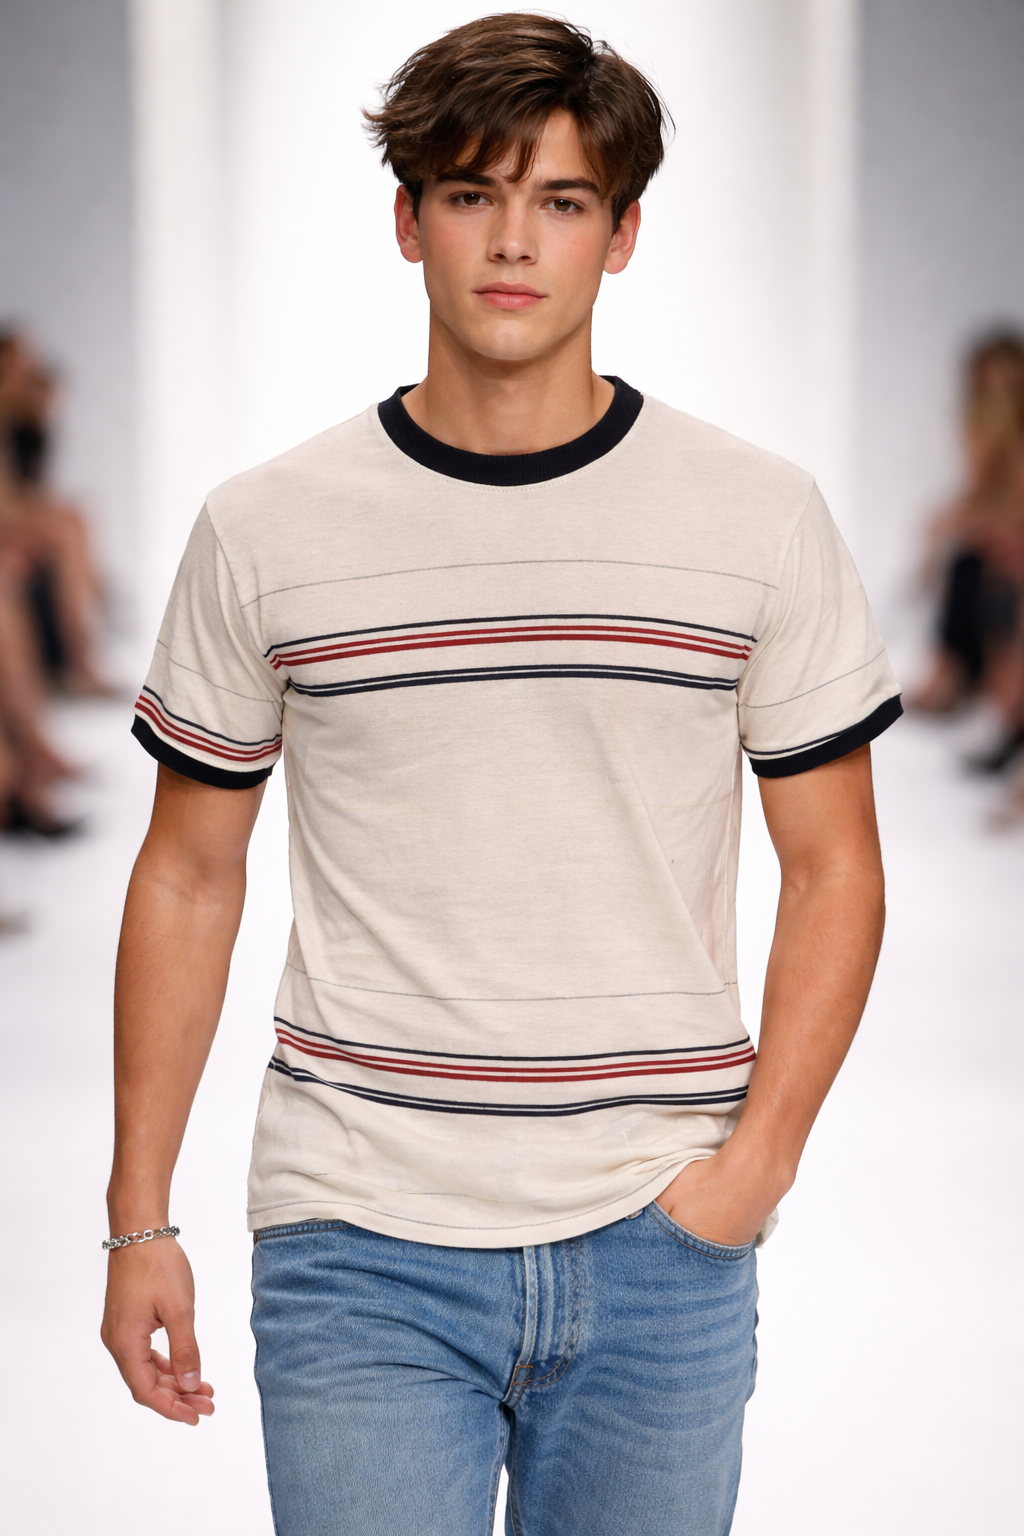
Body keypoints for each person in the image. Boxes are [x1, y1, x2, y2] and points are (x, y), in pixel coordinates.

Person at [101, 17, 901, 1535]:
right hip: (356, 1233)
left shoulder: (756, 518)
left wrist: (751, 1175)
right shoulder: (267, 527)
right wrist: (139, 1216)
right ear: (409, 222)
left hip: (659, 1238)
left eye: (562, 200)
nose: (514, 242)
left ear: (624, 233)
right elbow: (189, 873)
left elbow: (838, 865)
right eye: (472, 194)